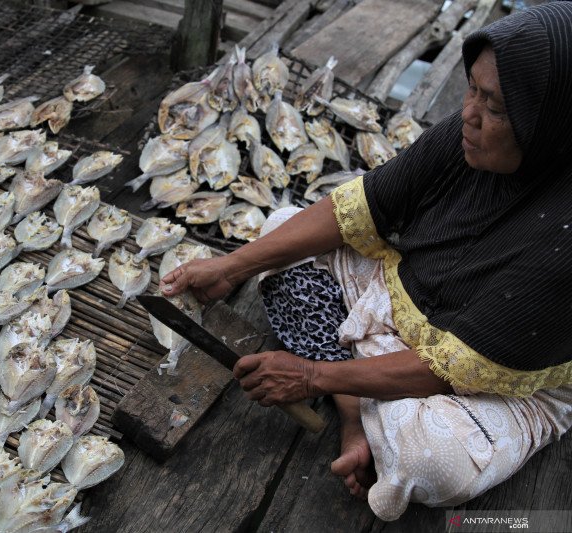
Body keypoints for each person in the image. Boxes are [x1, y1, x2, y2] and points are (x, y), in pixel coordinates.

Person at [161, 3, 572, 521]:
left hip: (492, 374)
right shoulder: (462, 134)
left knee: (433, 460)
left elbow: (452, 368)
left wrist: (312, 378)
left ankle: (353, 390)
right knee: (278, 229)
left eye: (494, 107)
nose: (469, 112)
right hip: (403, 295)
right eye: (471, 87)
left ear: (549, 122)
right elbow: (361, 207)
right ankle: (360, 415)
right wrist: (231, 267)